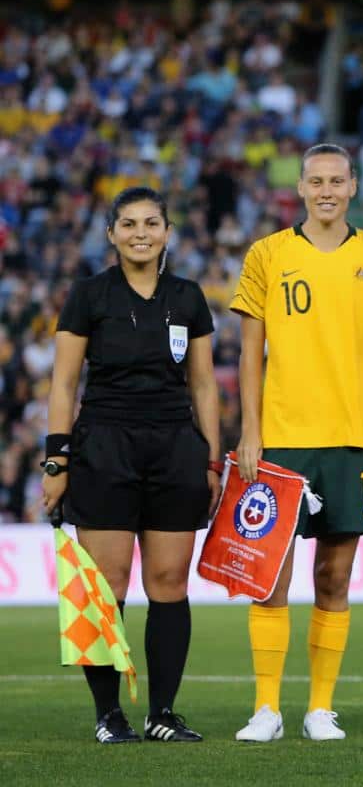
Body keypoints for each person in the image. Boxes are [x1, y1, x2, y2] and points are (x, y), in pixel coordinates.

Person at [230, 143, 363, 743]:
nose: (326, 190)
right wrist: (250, 431)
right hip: (280, 438)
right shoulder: (267, 255)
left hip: (352, 437)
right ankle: (267, 708)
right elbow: (250, 354)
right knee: (269, 578)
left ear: (354, 186)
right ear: (300, 188)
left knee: (335, 577)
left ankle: (320, 708)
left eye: (337, 180)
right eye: (316, 181)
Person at [42, 186, 220, 744]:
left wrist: (212, 459)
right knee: (108, 584)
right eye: (128, 224)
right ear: (111, 234)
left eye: (151, 223)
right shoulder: (88, 295)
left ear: (168, 231)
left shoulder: (188, 296)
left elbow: (205, 385)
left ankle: (163, 714)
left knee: (169, 581)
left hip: (175, 448)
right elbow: (64, 383)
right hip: (104, 447)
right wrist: (56, 459)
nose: (140, 232)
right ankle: (108, 715)